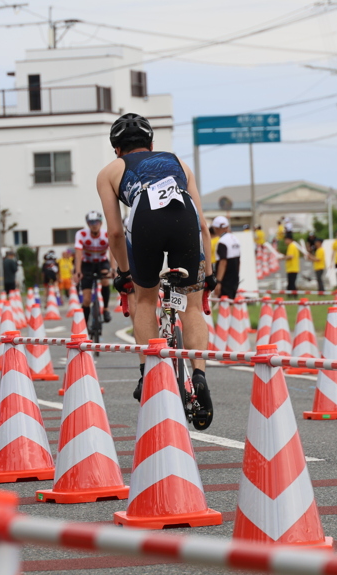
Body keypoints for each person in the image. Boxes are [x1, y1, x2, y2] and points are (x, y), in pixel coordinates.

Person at [95, 113, 215, 425]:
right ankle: (199, 375)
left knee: (145, 299)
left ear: (117, 150)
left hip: (144, 217)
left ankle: (148, 371)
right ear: (151, 144)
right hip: (184, 216)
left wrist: (124, 275)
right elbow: (204, 224)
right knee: (190, 304)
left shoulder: (109, 171)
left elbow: (115, 233)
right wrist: (210, 272)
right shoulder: (178, 162)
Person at [73, 211, 115, 324]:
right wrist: (77, 271)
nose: (94, 224)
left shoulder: (106, 234)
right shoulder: (81, 234)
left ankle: (105, 309)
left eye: (96, 221)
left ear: (101, 223)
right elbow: (78, 254)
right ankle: (84, 326)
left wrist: (114, 269)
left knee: (105, 280)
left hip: (102, 262)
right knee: (86, 299)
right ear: (87, 224)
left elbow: (112, 252)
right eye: (91, 222)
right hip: (86, 264)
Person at [212, 217, 240, 300]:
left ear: (216, 228)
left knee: (225, 302)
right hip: (234, 276)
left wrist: (219, 282)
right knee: (231, 300)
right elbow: (239, 261)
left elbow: (223, 262)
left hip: (225, 277)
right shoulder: (235, 239)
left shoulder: (222, 241)